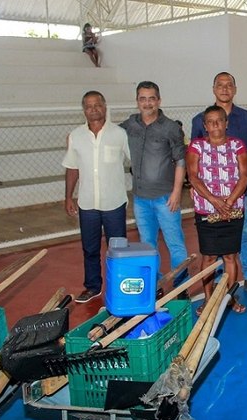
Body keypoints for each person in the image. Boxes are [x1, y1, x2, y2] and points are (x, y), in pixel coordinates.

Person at [190, 72, 247, 298]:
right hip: (208, 204)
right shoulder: (197, 122)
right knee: (210, 254)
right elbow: (194, 170)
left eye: (229, 84)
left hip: (240, 196)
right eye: (220, 85)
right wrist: (214, 200)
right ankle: (212, 296)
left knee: (245, 239)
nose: (224, 88)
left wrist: (241, 196)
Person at [62, 91, 130, 303]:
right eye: (89, 106)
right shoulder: (75, 136)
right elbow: (72, 168)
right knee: (90, 248)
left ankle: (119, 286)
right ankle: (93, 287)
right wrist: (68, 197)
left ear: (105, 106)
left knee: (117, 247)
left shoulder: (120, 134)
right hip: (88, 204)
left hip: (114, 203)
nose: (94, 109)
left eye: (97, 104)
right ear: (84, 110)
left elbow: (135, 160)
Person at [120, 81, 189, 290]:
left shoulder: (171, 128)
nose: (147, 103)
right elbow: (106, 136)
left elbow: (181, 161)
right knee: (148, 245)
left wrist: (177, 192)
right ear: (137, 101)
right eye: (143, 99)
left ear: (159, 100)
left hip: (166, 199)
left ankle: (181, 287)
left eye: (151, 98)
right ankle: (155, 285)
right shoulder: (128, 126)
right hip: (141, 199)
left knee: (175, 244)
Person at [186, 105, 247, 314]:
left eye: (219, 120)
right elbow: (193, 177)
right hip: (207, 210)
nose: (215, 125)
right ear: (205, 126)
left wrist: (229, 201)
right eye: (210, 121)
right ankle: (208, 300)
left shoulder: (238, 145)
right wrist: (215, 201)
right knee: (209, 257)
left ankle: (229, 299)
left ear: (226, 123)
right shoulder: (196, 147)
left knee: (231, 256)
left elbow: (245, 176)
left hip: (233, 211)